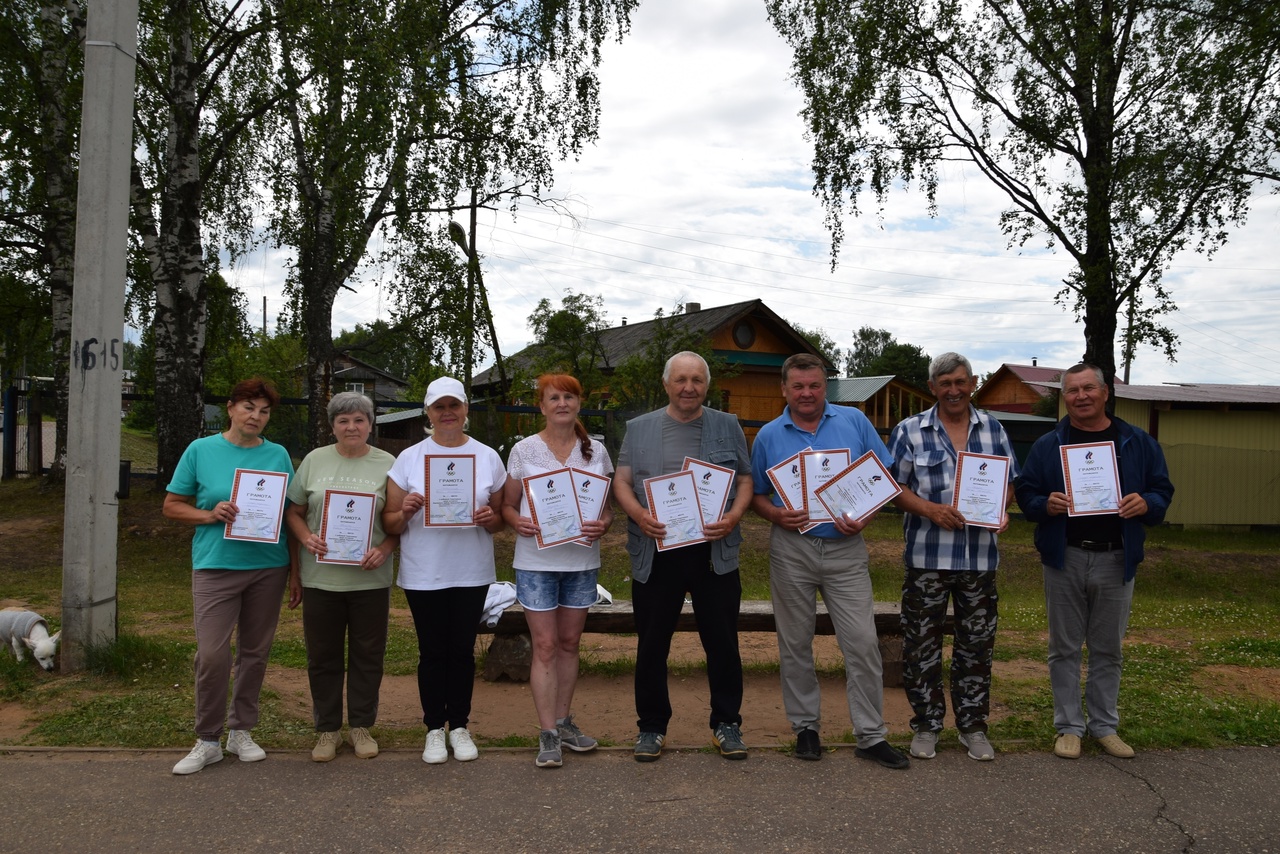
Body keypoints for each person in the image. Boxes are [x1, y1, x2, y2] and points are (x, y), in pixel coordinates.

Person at [749, 353, 910, 769]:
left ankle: (871, 735)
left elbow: (884, 477)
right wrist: (775, 514)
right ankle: (806, 729)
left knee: (862, 642)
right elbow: (757, 495)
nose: (806, 393)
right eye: (798, 386)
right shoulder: (768, 435)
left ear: (826, 386)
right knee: (795, 643)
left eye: (815, 385)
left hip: (846, 549)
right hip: (792, 549)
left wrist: (865, 517)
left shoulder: (854, 422)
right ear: (784, 389)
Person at [1015, 363, 1174, 760]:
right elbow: (1026, 494)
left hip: (1116, 558)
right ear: (1064, 398)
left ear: (1105, 393)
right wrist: (1044, 504)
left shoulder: (1137, 442)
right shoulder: (1048, 445)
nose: (1081, 396)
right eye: (1072, 391)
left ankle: (1104, 726)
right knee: (1063, 648)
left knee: (1108, 649)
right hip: (1064, 557)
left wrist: (1147, 502)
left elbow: (1162, 490)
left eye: (1088, 388)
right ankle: (1069, 727)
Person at [613, 351, 753, 762]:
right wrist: (639, 514)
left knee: (723, 643)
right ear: (667, 383)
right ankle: (651, 727)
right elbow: (621, 481)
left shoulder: (727, 426)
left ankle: (727, 723)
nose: (689, 387)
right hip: (656, 553)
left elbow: (744, 478)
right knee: (653, 644)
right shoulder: (639, 429)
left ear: (706, 385)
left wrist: (732, 517)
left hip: (715, 553)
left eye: (696, 379)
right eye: (681, 380)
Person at [888, 352, 1018, 762]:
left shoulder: (993, 429)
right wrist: (929, 510)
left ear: (973, 382)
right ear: (933, 387)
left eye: (960, 382)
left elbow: (1009, 483)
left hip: (979, 560)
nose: (954, 390)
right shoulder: (910, 431)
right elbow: (894, 487)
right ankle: (926, 725)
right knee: (920, 647)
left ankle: (973, 727)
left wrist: (1002, 509)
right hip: (928, 557)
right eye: (945, 383)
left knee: (976, 647)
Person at [163, 378, 294, 775]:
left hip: (268, 567)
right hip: (216, 565)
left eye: (265, 411)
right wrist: (209, 514)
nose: (256, 416)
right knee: (213, 654)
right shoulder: (201, 450)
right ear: (231, 407)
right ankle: (207, 739)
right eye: (249, 407)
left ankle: (241, 731)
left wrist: (297, 572)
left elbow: (289, 515)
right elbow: (171, 505)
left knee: (255, 653)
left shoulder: (278, 456)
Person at [383, 376, 507, 764]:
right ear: (428, 413)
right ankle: (435, 728)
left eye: (454, 405)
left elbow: (500, 518)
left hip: (471, 570)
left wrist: (491, 518)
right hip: (424, 572)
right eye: (440, 407)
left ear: (466, 410)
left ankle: (461, 726)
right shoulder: (408, 459)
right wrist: (403, 511)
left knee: (462, 652)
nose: (447, 413)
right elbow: (389, 523)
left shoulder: (487, 456)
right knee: (432, 652)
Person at [501, 374, 614, 768]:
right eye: (554, 398)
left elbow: (605, 508)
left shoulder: (596, 451)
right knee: (545, 646)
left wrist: (605, 523)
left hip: (581, 561)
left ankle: (566, 723)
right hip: (536, 562)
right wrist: (518, 522)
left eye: (569, 396)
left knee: (569, 644)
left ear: (579, 403)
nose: (562, 403)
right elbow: (508, 506)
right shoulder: (523, 450)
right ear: (542, 405)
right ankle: (547, 732)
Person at [284, 392, 397, 762]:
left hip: (370, 581)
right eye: (343, 420)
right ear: (332, 425)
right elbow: (294, 511)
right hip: (321, 580)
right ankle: (327, 730)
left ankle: (361, 726)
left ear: (370, 423)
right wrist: (305, 538)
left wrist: (385, 548)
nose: (352, 427)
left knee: (368, 655)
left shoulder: (388, 464)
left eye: (359, 420)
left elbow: (396, 521)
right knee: (323, 657)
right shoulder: (315, 460)